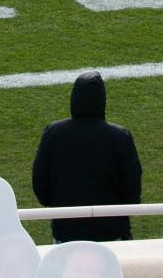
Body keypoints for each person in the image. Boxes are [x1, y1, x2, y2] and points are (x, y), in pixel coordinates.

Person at [31, 71, 143, 243]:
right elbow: (132, 190)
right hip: (111, 232)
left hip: (66, 232)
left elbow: (40, 184)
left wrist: (60, 207)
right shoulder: (119, 137)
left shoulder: (53, 133)